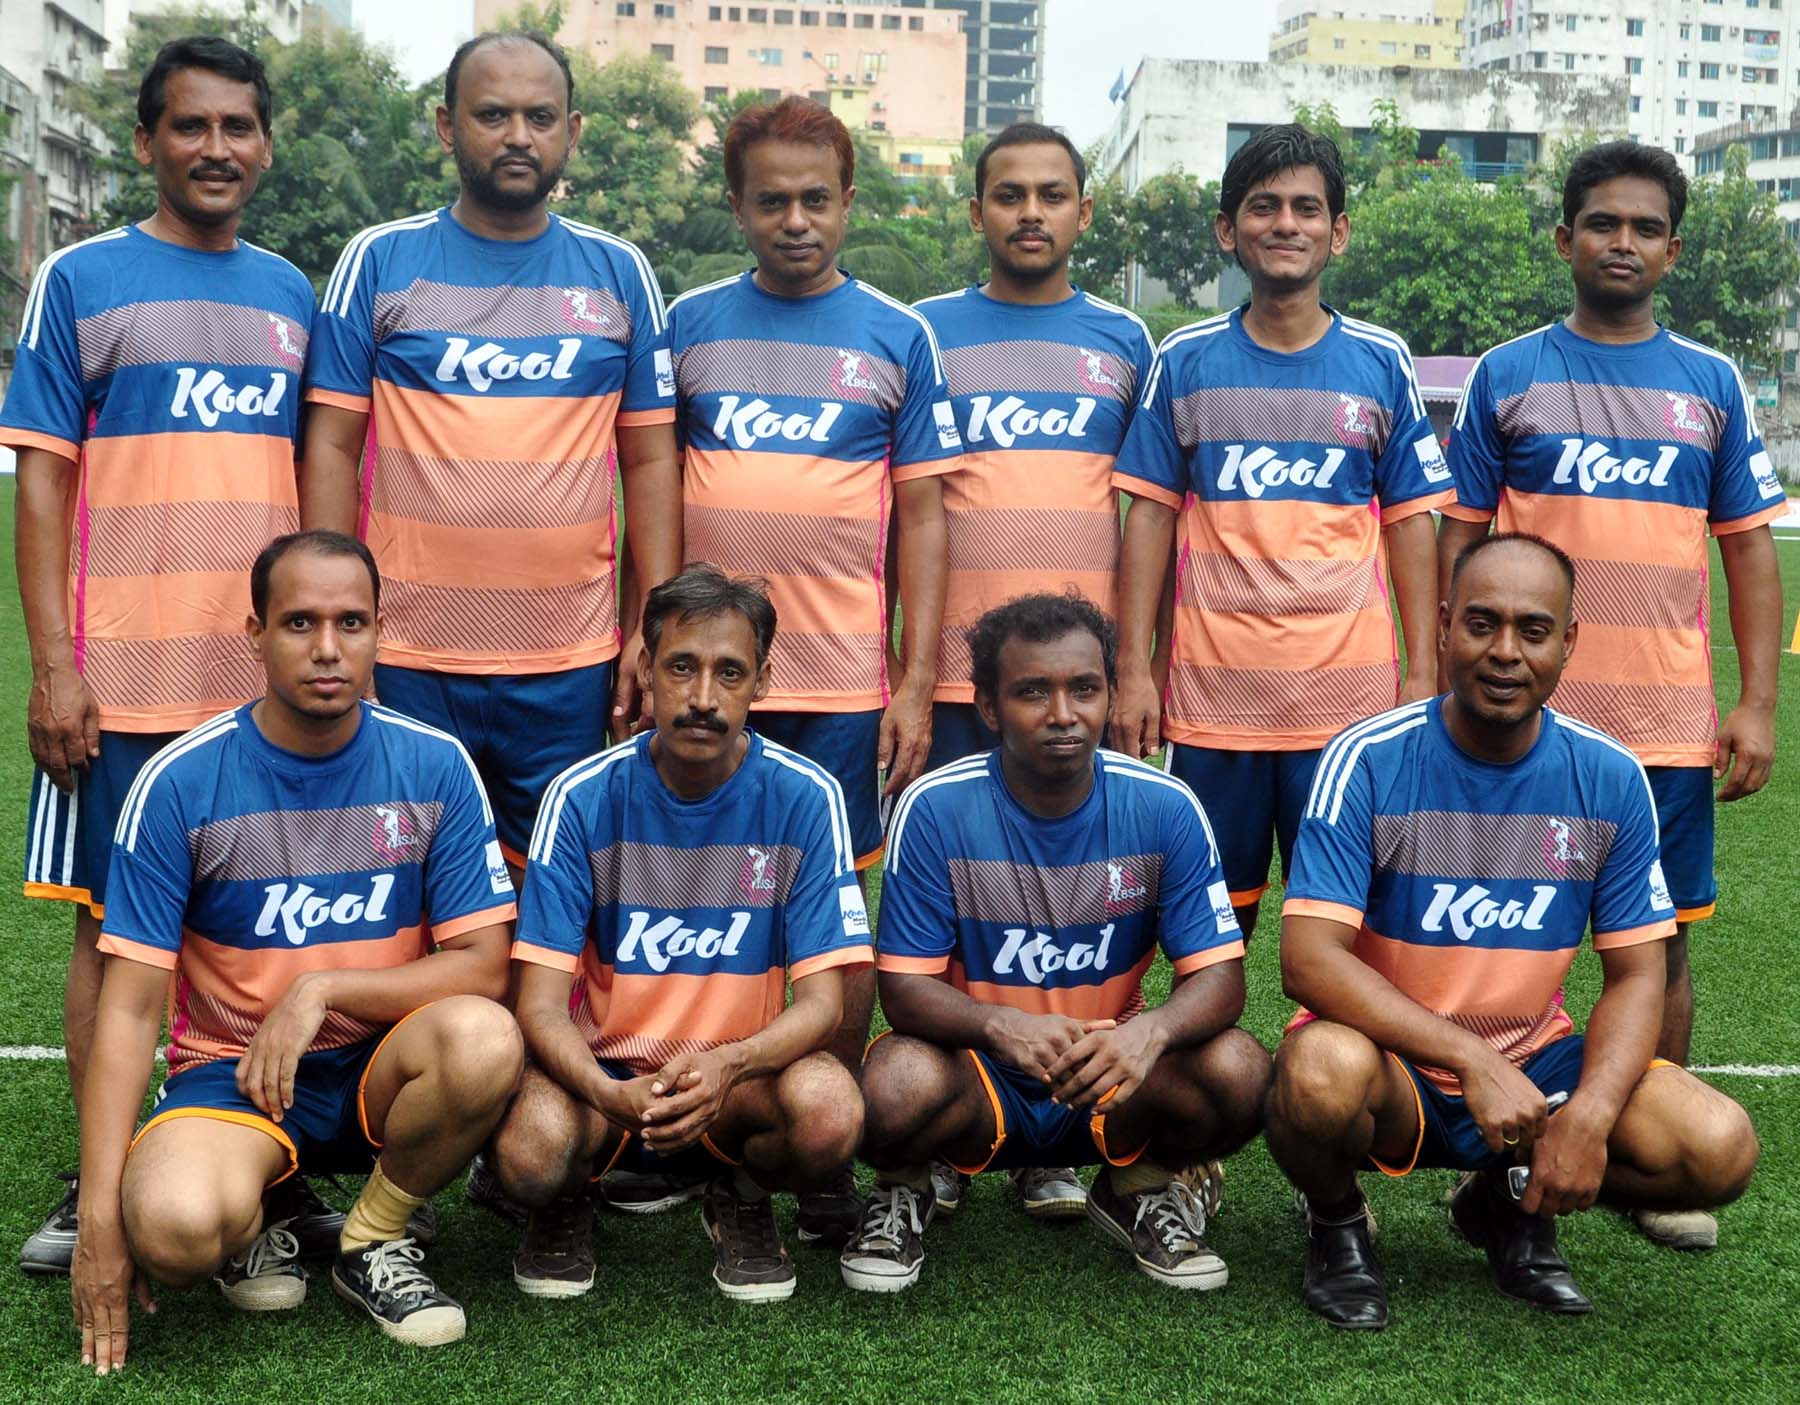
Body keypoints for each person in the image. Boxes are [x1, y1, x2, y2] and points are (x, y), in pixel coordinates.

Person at [1267, 533, 1759, 1332]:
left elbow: (1640, 974)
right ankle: (1337, 1222)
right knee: (1317, 1071)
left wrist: (1590, 1115)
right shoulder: (1364, 759)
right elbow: (1308, 959)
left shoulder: (1607, 774)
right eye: (1482, 624)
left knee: (1718, 1145)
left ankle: (1504, 1201)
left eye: (1533, 630)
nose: (1504, 651)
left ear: (1569, 642)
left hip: (1536, 1064)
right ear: (1441, 627)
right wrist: (1468, 1058)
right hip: (1398, 1069)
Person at [1, 36, 317, 1276]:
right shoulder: (82, 277)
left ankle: (258, 1162)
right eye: (190, 127)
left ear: (266, 145)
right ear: (145, 143)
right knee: (109, 933)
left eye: (238, 127)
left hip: (263, 690)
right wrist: (54, 665)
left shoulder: (296, 294)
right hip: (122, 681)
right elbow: (42, 480)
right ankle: (102, 1171)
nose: (216, 149)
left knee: (261, 932)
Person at [1439, 141, 1785, 1252]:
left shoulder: (1713, 384)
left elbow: (1748, 548)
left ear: (1672, 250)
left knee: (1663, 944)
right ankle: (1439, 1122)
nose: (1621, 242)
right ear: (1565, 239)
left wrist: (1756, 701)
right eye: (1601, 223)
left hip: (1664, 723)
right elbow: (1458, 537)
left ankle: (1641, 1153)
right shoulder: (1508, 374)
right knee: (1485, 926)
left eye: (1643, 228)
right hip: (1517, 723)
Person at [70, 532, 524, 1372]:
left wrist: (321, 987)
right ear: (255, 633)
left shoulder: (434, 765)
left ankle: (373, 1237)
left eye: (351, 622)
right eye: (299, 622)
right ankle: (257, 1212)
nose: (326, 648)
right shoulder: (179, 783)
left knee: (485, 1037)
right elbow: (130, 1011)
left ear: (379, 629)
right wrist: (100, 1216)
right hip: (233, 1072)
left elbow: (485, 964)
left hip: (377, 1067)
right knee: (171, 1230)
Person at [666, 96, 961, 1242]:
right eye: (772, 199)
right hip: (701, 685)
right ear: (736, 205)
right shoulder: (685, 323)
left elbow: (926, 518)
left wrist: (915, 677)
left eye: (817, 198)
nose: (796, 220)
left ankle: (819, 1142)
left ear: (849, 201)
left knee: (831, 929)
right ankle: (689, 1135)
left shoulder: (897, 335)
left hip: (837, 687)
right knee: (687, 902)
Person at [301, 27, 680, 876]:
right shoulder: (381, 260)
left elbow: (651, 463)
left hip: (570, 663)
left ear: (572, 132)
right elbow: (330, 443)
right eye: (493, 114)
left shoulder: (619, 273)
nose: (519, 135)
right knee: (405, 887)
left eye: (540, 117)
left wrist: (651, 631)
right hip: (409, 655)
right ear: (445, 126)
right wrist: (337, 621)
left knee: (555, 890)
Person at [841, 593, 1270, 1294]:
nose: (1064, 714)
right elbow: (904, 988)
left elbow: (1222, 977)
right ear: (987, 707)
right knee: (891, 1084)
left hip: (1109, 1079)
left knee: (1242, 1069)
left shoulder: (1164, 806)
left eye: (1084, 688)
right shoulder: (936, 807)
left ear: (1108, 694)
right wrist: (999, 1025)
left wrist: (1150, 1034)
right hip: (980, 1079)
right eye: (1033, 691)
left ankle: (1138, 1182)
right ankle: (906, 1187)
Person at [1110, 122, 1452, 947]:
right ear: (1229, 231)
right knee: (1211, 935)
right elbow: (1150, 514)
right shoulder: (1184, 358)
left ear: (1338, 232)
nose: (1286, 224)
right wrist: (1132, 668)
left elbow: (1412, 523)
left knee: (1356, 928)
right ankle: (1216, 1076)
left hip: (1351, 709)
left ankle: (1350, 1077)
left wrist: (1422, 671)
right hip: (1212, 704)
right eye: (1264, 207)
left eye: (1307, 208)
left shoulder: (1380, 361)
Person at [489, 565, 871, 1303]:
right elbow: (536, 1006)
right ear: (646, 671)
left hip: (736, 1078)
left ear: (761, 683)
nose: (702, 698)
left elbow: (824, 1002)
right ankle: (570, 1195)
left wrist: (732, 1062)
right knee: (531, 1152)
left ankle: (742, 1188)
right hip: (605, 1074)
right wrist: (606, 1092)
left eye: (729, 672)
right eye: (682, 668)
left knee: (832, 1111)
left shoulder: (804, 795)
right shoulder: (581, 796)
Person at [908, 123, 1157, 1225]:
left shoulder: (1126, 342)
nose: (1029, 213)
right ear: (976, 212)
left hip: (1077, 686)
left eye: (1052, 195)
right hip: (969, 677)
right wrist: (913, 676)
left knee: (1073, 897)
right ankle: (948, 1131)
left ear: (1084, 213)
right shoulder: (925, 334)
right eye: (1007, 194)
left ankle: (1063, 1123)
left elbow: (1153, 512)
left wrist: (1139, 665)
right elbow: (902, 510)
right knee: (957, 901)